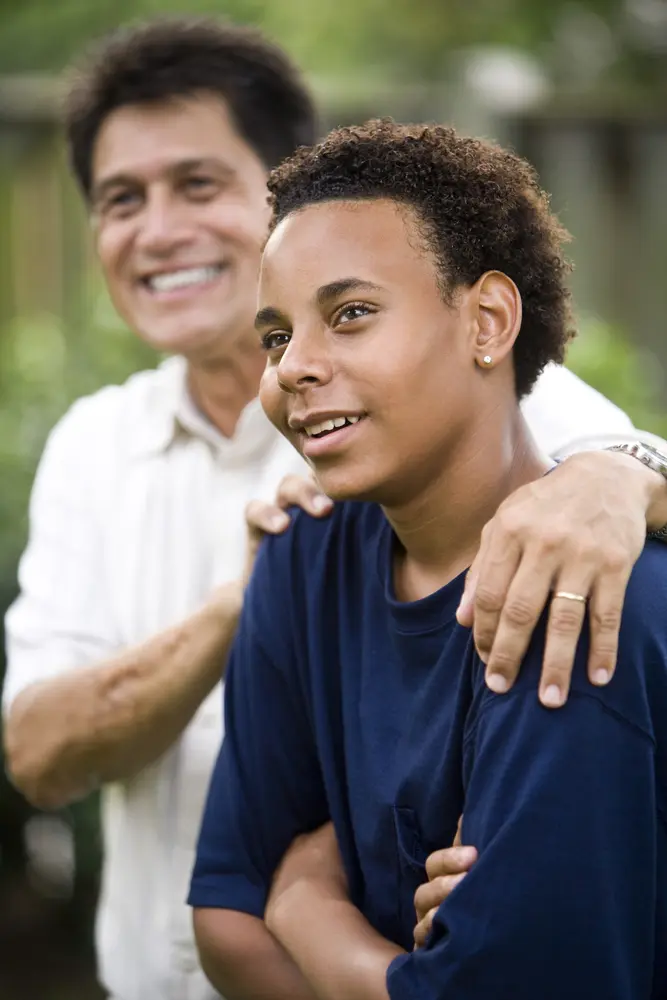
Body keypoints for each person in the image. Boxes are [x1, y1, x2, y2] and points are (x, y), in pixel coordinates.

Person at [2, 14, 667, 1000]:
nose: (158, 228)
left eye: (197, 184)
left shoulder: (519, 435)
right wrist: (235, 608)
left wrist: (621, 478)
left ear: (282, 183)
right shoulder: (103, 449)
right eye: (119, 199)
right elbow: (47, 761)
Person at [190, 120, 667, 1000]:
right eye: (274, 336)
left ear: (485, 320)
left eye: (351, 314)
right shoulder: (301, 559)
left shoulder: (576, 596)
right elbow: (225, 913)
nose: (294, 365)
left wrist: (307, 909)